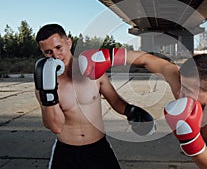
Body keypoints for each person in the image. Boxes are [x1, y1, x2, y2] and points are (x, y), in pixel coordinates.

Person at [34, 24, 155, 169]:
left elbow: (115, 100)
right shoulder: (44, 85)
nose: (55, 55)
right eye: (48, 52)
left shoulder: (93, 71)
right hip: (66, 153)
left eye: (58, 47)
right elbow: (56, 126)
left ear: (69, 42)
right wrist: (49, 92)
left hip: (98, 148)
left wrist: (130, 110)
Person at [124, 51, 207, 169]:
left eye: (188, 90)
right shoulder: (183, 85)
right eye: (182, 85)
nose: (179, 92)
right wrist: (111, 56)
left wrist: (190, 138)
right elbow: (146, 59)